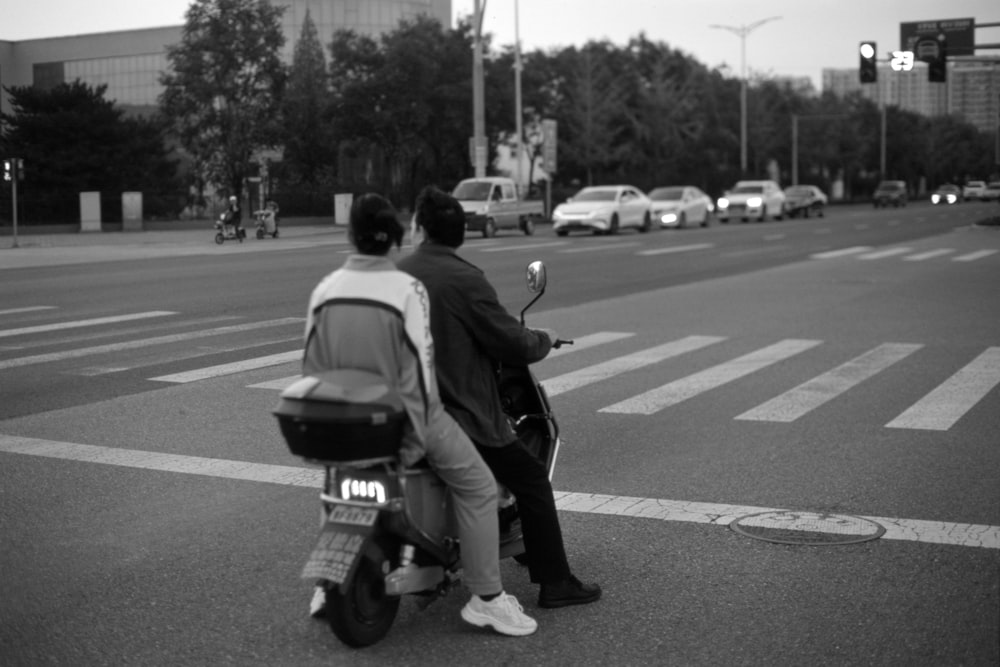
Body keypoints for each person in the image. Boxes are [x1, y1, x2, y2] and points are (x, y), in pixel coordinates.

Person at [302, 192, 537, 637]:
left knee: (336, 486)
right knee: (479, 485)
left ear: (350, 235)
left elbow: (313, 366)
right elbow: (418, 373)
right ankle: (487, 597)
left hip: (344, 419)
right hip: (401, 418)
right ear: (396, 238)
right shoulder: (405, 290)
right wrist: (414, 437)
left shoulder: (326, 288)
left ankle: (327, 579)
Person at [398, 186, 602, 609]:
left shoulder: (397, 274)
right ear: (460, 236)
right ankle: (556, 583)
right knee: (531, 482)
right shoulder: (463, 278)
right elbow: (511, 342)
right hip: (458, 416)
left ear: (420, 229)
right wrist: (543, 339)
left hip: (397, 413)